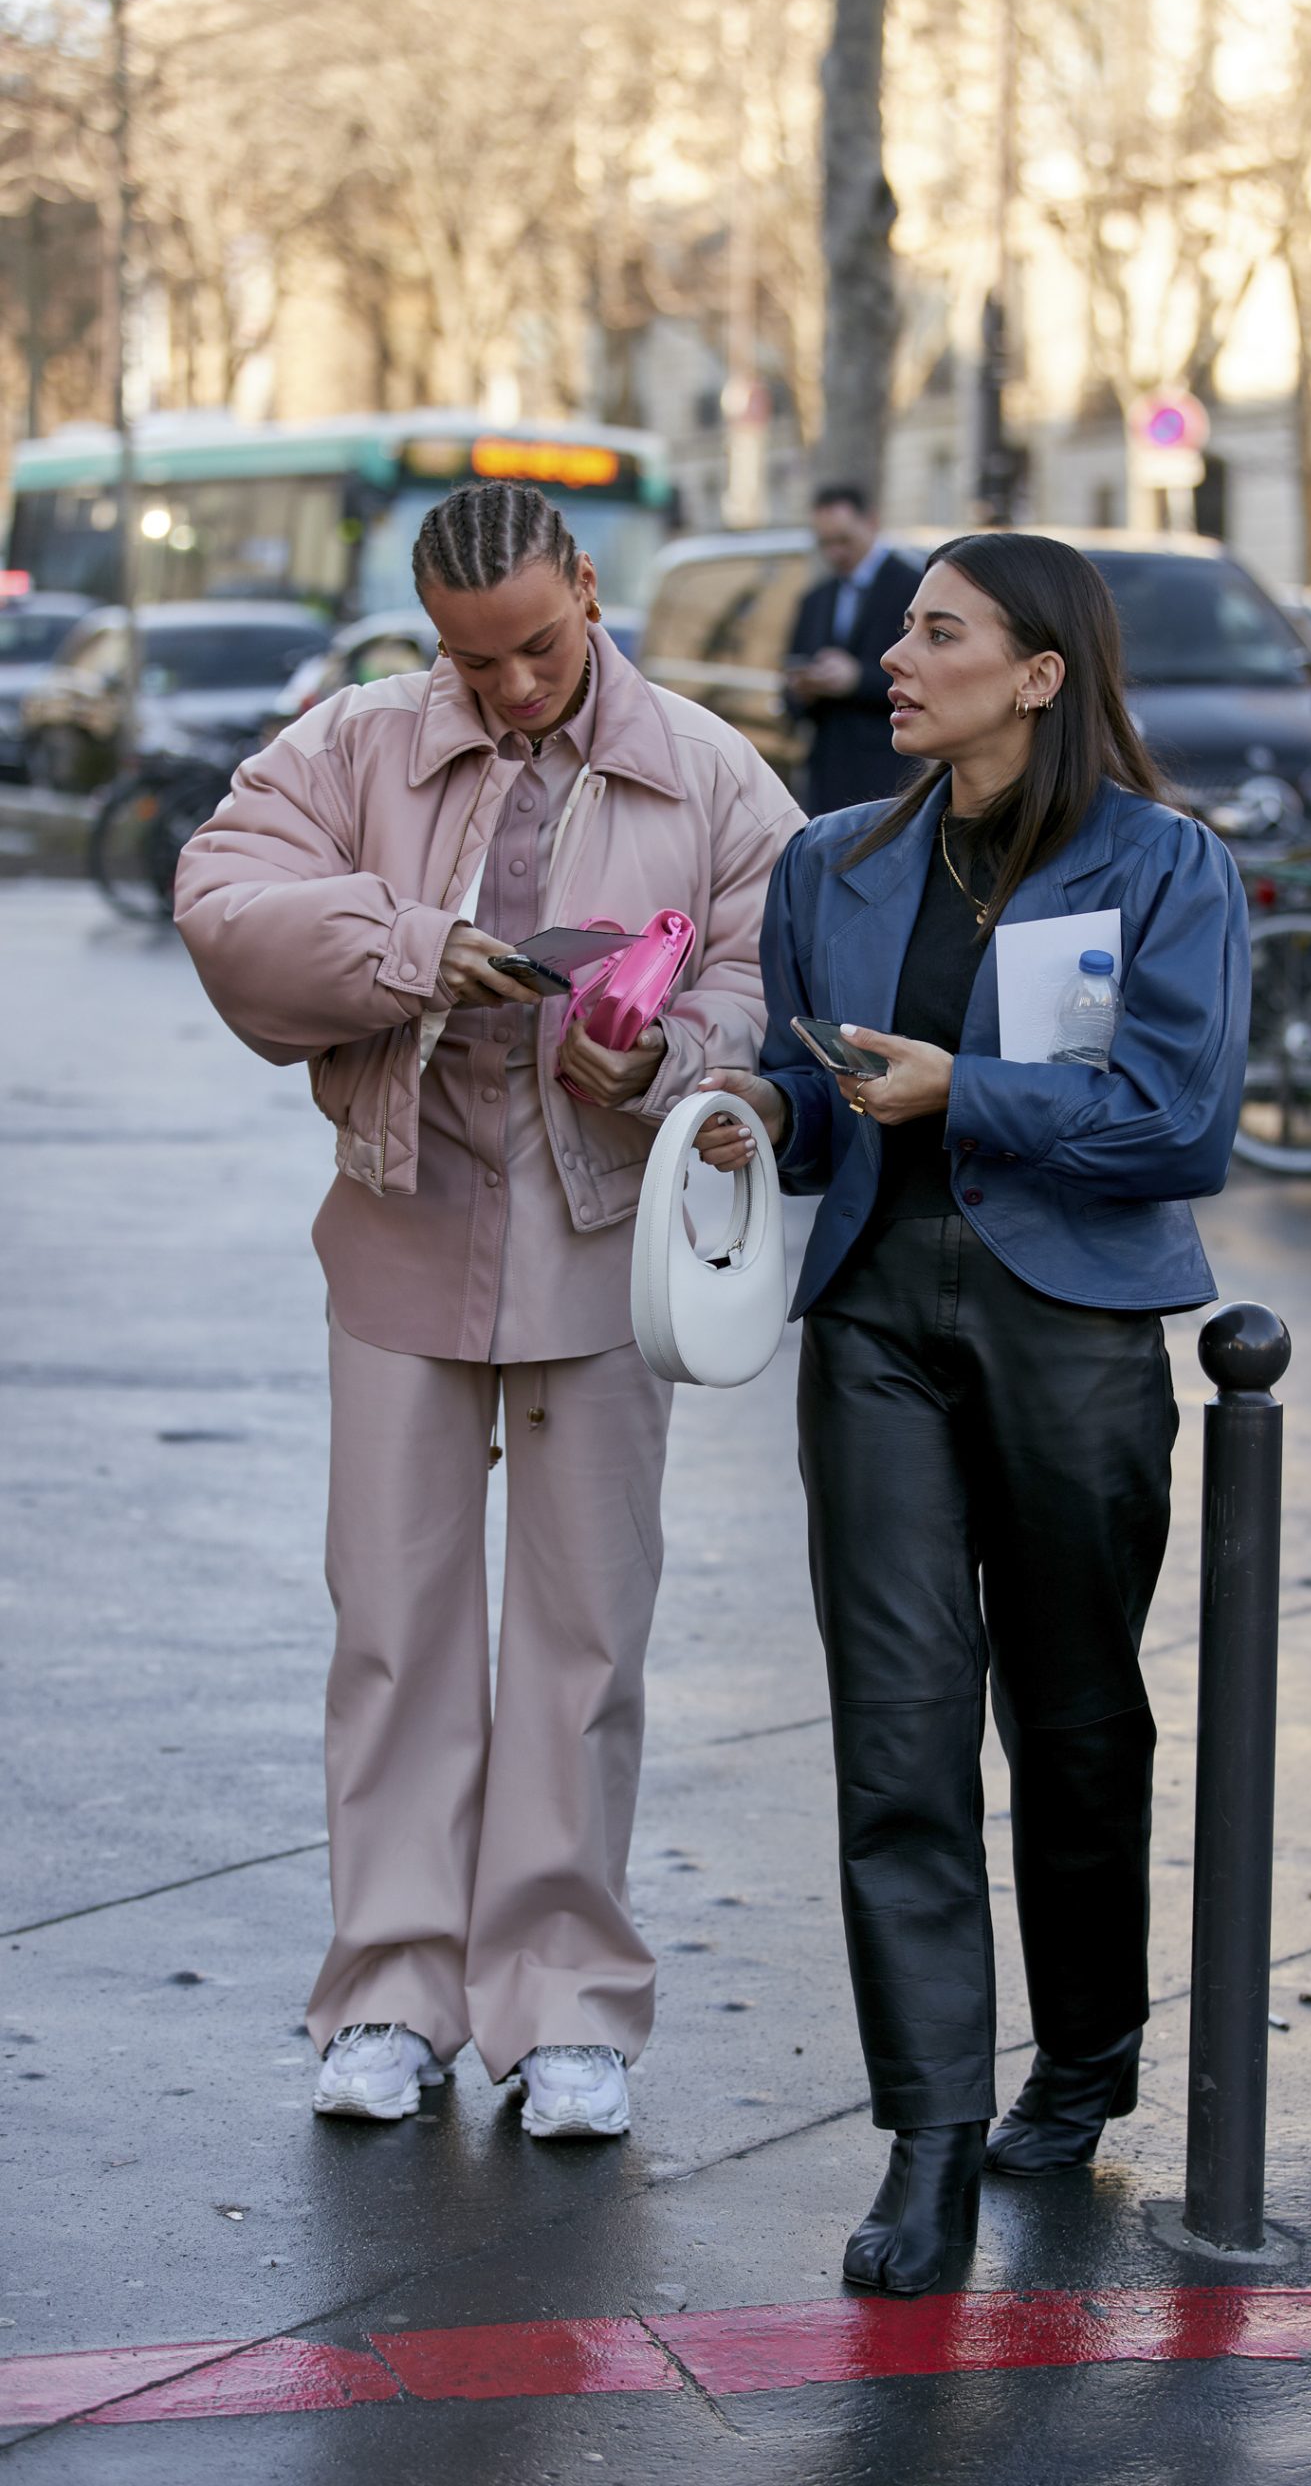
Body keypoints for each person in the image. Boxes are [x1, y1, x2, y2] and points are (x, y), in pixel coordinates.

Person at [175, 481, 803, 2139]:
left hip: (607, 1253)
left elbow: (768, 982)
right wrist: (407, 945)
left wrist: (658, 1054)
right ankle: (387, 1994)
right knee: (391, 1638)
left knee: (583, 1644)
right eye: (471, 665)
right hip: (401, 1234)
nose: (510, 689)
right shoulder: (355, 740)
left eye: (535, 647)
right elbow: (222, 903)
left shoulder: (714, 771)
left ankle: (567, 2008)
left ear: (591, 590)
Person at [696, 533, 1249, 2293]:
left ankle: (1078, 2062)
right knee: (898, 1731)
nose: (894, 661)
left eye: (939, 633)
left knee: (1076, 1721)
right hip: (871, 1316)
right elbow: (805, 1076)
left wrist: (970, 1093)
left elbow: (1177, 1122)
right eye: (905, 630)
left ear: (1039, 673)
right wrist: (750, 1110)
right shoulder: (832, 861)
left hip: (1070, 1323)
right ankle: (926, 2135)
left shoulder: (1165, 868)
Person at [783, 485, 919, 817]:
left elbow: (930, 679)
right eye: (825, 543)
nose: (834, 553)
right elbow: (789, 692)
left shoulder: (914, 586)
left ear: (871, 522)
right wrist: (803, 689)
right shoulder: (815, 599)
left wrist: (856, 679)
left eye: (843, 540)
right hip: (827, 776)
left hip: (890, 774)